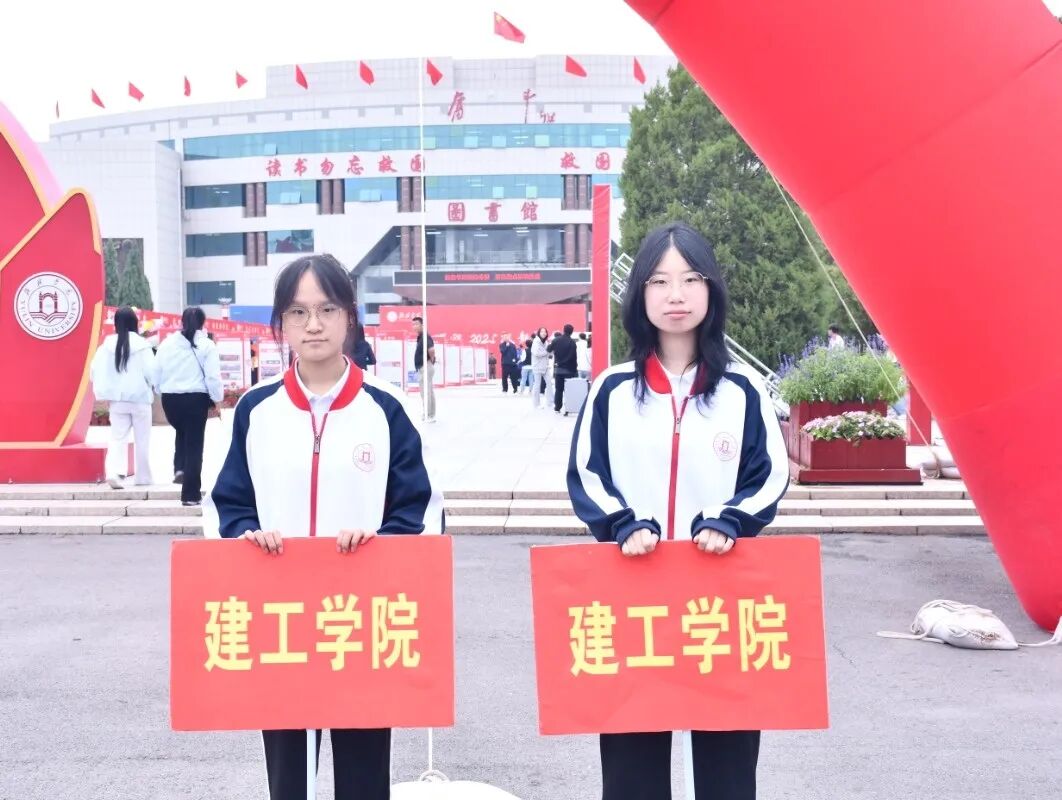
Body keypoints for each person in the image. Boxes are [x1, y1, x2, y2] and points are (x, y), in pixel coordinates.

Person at [567, 222, 789, 800]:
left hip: (720, 602)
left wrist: (729, 519)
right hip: (634, 599)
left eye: (691, 279)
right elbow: (588, 473)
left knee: (727, 764)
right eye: (660, 281)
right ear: (640, 293)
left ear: (711, 290)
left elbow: (769, 475)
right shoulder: (612, 390)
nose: (676, 295)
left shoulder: (743, 390)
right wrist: (622, 523)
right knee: (632, 769)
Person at [211, 253, 443, 800]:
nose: (313, 324)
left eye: (327, 309)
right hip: (281, 623)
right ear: (281, 323)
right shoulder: (257, 410)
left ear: (349, 317)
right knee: (290, 775)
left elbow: (420, 508)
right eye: (298, 312)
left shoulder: (386, 408)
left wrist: (380, 544)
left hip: (360, 622)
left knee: (364, 773)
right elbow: (228, 503)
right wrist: (247, 537)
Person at [156, 307, 223, 506]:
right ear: (203, 323)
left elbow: (155, 371)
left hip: (170, 399)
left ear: (182, 322)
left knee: (182, 431)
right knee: (194, 444)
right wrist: (217, 399)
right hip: (195, 399)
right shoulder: (207, 345)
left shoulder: (167, 343)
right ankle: (191, 495)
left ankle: (180, 468)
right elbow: (212, 376)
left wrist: (162, 391)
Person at [89, 306, 158, 489]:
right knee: (142, 440)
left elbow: (94, 371)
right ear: (135, 322)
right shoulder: (143, 345)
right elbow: (152, 373)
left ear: (116, 324)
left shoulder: (106, 346)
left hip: (117, 400)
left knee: (117, 438)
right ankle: (143, 477)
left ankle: (113, 473)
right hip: (140, 399)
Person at [547, 324, 578, 413]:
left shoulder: (556, 340)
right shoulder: (572, 343)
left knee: (558, 389)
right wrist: (575, 369)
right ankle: (568, 407)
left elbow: (548, 349)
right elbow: (574, 357)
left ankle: (557, 407)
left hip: (559, 369)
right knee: (569, 390)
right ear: (571, 332)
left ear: (563, 330)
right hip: (569, 370)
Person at [412, 315, 436, 422]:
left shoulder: (425, 337)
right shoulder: (420, 337)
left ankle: (428, 415)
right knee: (429, 391)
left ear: (422, 325)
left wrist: (431, 361)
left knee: (425, 392)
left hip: (425, 366)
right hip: (424, 366)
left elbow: (431, 350)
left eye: (416, 324)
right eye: (413, 324)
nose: (414, 326)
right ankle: (431, 414)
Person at [530, 327, 551, 409]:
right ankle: (536, 404)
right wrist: (546, 352)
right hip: (537, 366)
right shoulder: (536, 342)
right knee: (537, 385)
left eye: (545, 331)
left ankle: (550, 402)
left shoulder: (546, 342)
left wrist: (548, 352)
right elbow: (536, 353)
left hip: (545, 366)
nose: (544, 333)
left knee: (549, 383)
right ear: (539, 333)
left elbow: (549, 352)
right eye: (542, 331)